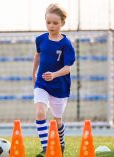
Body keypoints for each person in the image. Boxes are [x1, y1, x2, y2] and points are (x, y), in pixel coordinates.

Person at [32, 4, 75, 157]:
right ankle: (46, 148)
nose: (51, 26)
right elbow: (37, 55)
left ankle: (61, 142)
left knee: (57, 120)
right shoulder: (40, 39)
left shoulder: (66, 44)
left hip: (59, 87)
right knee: (39, 111)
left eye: (55, 23)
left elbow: (68, 67)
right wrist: (34, 74)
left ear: (62, 23)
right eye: (48, 22)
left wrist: (55, 74)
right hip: (42, 83)